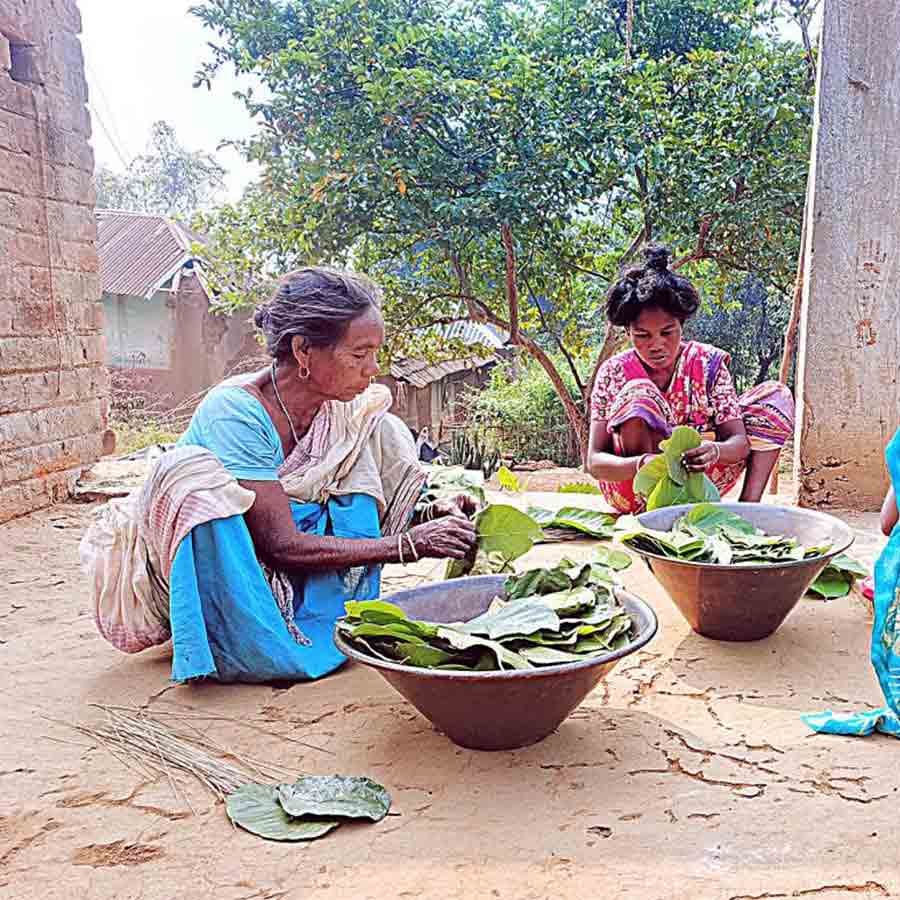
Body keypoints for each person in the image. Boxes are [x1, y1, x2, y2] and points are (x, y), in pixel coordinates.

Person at [81, 267, 476, 683]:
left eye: (375, 354)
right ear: (303, 350)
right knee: (189, 479)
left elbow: (356, 495)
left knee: (378, 428)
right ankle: (238, 637)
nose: (372, 369)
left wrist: (430, 512)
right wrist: (406, 546)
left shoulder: (340, 413)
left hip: (291, 559)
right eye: (359, 355)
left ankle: (320, 612)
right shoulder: (235, 413)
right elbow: (280, 544)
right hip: (226, 563)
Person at [586, 245, 795, 513]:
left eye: (667, 332)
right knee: (639, 393)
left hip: (699, 485)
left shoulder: (707, 363)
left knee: (776, 397)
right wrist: (643, 464)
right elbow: (595, 462)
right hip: (633, 489)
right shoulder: (613, 372)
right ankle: (655, 512)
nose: (656, 345)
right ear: (627, 333)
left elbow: (739, 443)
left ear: (682, 325)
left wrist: (714, 450)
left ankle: (748, 509)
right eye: (642, 335)